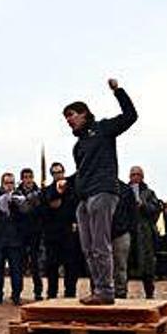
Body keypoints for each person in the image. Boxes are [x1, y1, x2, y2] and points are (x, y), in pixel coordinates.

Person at [58, 78, 137, 305]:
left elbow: (130, 116)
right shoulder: (78, 146)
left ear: (84, 114)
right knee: (88, 246)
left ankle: (106, 290)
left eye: (72, 115)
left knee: (101, 243)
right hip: (84, 197)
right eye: (66, 118)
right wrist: (67, 182)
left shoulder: (103, 129)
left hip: (103, 191)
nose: (69, 121)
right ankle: (98, 289)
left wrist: (118, 91)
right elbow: (81, 172)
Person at [41, 162, 80, 298]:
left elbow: (77, 207)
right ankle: (52, 294)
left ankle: (70, 293)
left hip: (69, 233)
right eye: (55, 173)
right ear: (52, 174)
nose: (58, 175)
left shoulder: (72, 189)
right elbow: (42, 212)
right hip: (52, 235)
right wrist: (51, 206)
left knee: (70, 265)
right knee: (52, 266)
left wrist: (75, 222)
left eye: (60, 172)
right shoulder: (47, 191)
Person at [0, 173, 25, 305]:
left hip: (15, 240)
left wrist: (16, 207)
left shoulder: (20, 197)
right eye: (7, 183)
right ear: (2, 184)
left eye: (11, 183)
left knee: (16, 270)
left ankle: (16, 295)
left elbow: (27, 215)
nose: (9, 186)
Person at [127, 166, 161, 298]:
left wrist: (143, 205)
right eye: (132, 174)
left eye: (137, 174)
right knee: (125, 264)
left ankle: (149, 293)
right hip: (128, 231)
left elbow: (156, 210)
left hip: (145, 234)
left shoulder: (149, 193)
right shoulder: (124, 191)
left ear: (142, 176)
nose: (135, 177)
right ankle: (121, 294)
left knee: (147, 266)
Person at [17, 168, 44, 301]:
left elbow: (40, 209)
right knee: (19, 265)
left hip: (35, 233)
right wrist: (30, 201)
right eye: (25, 177)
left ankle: (38, 291)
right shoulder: (16, 193)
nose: (28, 180)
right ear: (22, 179)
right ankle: (17, 292)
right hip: (20, 234)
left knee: (35, 265)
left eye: (30, 177)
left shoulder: (40, 192)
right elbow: (21, 209)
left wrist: (29, 201)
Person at [111, 180, 136, 299]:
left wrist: (128, 228)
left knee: (121, 265)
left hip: (121, 232)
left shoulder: (126, 190)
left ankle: (120, 292)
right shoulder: (98, 188)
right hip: (103, 232)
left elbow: (132, 212)